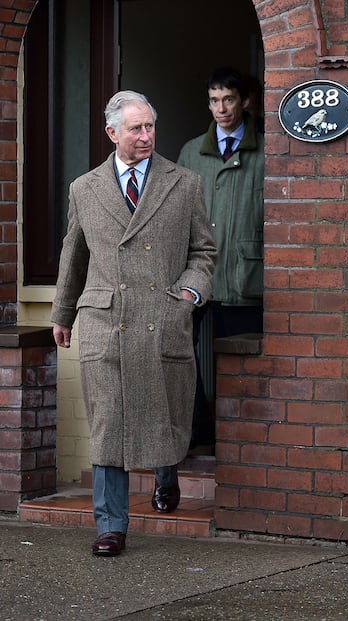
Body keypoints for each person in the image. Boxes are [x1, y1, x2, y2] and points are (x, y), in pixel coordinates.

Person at [51, 90, 216, 557]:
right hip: (106, 320)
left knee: (160, 411)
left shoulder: (184, 183)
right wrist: (62, 313)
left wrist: (187, 292)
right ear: (112, 133)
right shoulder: (85, 188)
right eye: (135, 129)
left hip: (161, 315)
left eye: (150, 127)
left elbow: (203, 252)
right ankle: (110, 526)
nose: (145, 137)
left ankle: (167, 472)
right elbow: (73, 256)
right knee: (109, 423)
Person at [177, 67, 264, 448]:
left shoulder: (268, 150)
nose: (221, 108)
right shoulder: (191, 152)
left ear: (244, 101)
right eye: (214, 100)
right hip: (197, 274)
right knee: (177, 347)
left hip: (245, 273)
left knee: (242, 360)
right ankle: (199, 429)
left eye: (228, 99)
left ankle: (242, 439)